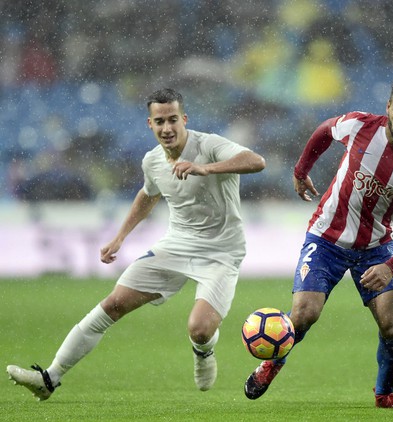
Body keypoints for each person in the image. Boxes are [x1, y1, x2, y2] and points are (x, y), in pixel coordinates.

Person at [7, 88, 266, 400]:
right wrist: (120, 237)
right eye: (160, 121)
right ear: (150, 124)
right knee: (113, 304)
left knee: (199, 328)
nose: (167, 128)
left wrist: (204, 168)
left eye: (173, 119)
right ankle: (49, 378)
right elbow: (148, 194)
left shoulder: (208, 145)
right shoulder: (153, 161)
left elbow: (256, 161)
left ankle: (203, 351)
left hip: (222, 251)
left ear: (184, 119)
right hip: (177, 245)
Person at [243, 77, 393, 409]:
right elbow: (324, 131)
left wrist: (390, 267)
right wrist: (301, 168)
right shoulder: (360, 126)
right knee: (304, 314)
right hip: (326, 239)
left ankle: (385, 395)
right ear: (388, 108)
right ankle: (271, 364)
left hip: (376, 249)